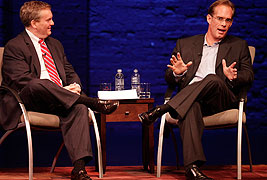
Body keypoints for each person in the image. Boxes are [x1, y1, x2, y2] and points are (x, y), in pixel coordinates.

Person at [0, 1, 119, 180]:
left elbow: (70, 72)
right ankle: (92, 103)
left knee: (78, 108)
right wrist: (60, 89)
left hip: (60, 99)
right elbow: (20, 80)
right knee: (37, 83)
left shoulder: (55, 44)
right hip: (29, 98)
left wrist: (75, 86)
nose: (53, 23)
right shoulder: (14, 46)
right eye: (48, 20)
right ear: (34, 23)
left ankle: (79, 170)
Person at [139, 0, 254, 179]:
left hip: (221, 99)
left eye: (228, 20)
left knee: (212, 79)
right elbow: (169, 78)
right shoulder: (185, 45)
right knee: (190, 108)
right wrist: (176, 74)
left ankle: (163, 109)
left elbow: (249, 75)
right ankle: (192, 169)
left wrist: (234, 77)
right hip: (191, 101)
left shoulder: (239, 45)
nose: (224, 24)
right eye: (220, 18)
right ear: (209, 18)